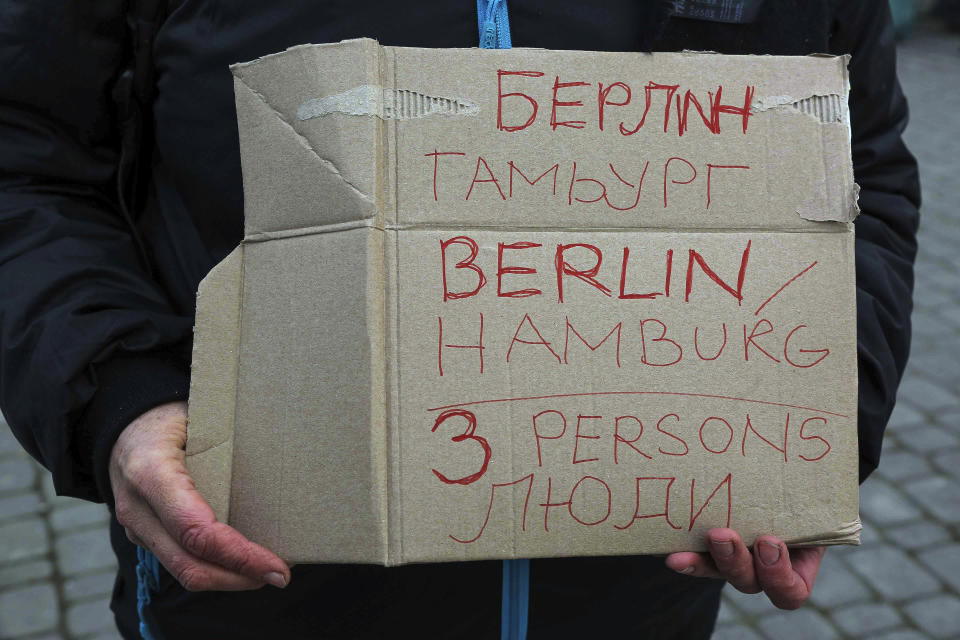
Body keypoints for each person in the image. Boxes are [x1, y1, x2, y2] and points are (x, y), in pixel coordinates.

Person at [0, 1, 919, 638]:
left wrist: (827, 428)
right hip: (256, 591)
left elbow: (858, 174)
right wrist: (118, 394)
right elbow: (27, 159)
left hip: (643, 595)